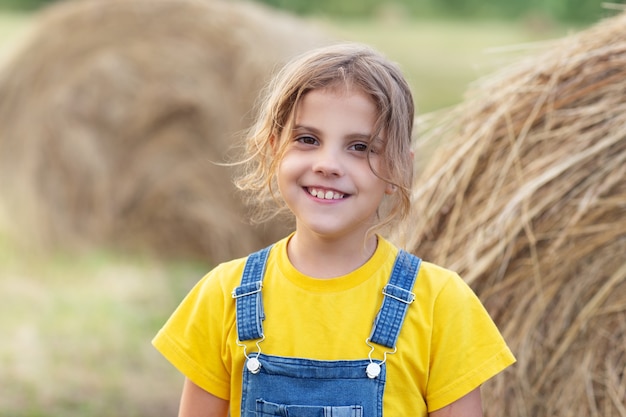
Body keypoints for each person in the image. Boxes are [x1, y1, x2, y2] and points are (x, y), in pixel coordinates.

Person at [152, 43, 515, 417]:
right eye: (308, 140)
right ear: (275, 149)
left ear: (398, 170)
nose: (328, 164)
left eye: (359, 147)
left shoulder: (442, 304)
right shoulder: (222, 295)